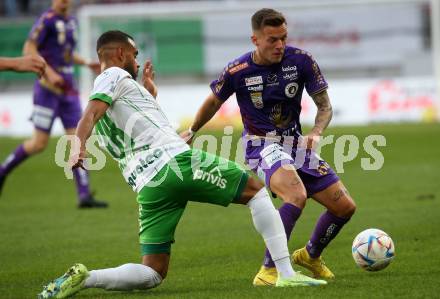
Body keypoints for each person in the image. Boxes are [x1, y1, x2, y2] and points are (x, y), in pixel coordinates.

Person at [37, 30, 327, 299]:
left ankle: (86, 278)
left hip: (148, 186)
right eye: (135, 54)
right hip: (174, 164)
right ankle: (284, 273)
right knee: (256, 191)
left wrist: (149, 96)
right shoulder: (111, 74)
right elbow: (91, 112)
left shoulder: (119, 96)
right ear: (121, 54)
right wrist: (78, 143)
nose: (137, 62)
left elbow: (133, 125)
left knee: (153, 272)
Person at [182, 8, 356, 285]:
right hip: (259, 144)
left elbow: (324, 105)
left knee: (345, 207)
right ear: (255, 40)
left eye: (283, 38)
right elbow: (214, 101)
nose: (279, 45)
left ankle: (310, 256)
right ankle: (269, 271)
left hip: (296, 144)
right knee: (295, 195)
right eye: (272, 39)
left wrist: (317, 132)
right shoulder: (238, 70)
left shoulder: (301, 61)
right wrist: (192, 130)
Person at [0, 0, 107, 208]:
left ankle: (84, 195)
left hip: (69, 90)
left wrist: (85, 62)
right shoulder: (46, 20)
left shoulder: (72, 21)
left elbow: (66, 54)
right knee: (39, 143)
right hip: (47, 91)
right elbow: (28, 47)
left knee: (78, 137)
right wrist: (48, 72)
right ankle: (3, 171)